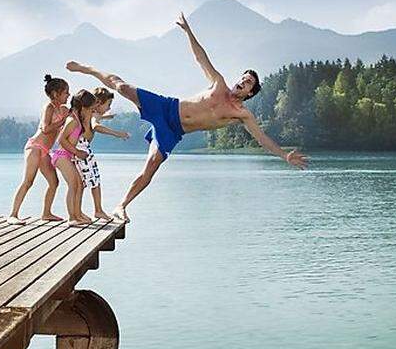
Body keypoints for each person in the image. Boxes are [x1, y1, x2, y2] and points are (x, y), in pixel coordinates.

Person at [66, 12, 308, 221]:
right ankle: (89, 69)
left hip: (173, 131)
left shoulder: (241, 114)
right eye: (243, 78)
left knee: (150, 168)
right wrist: (188, 32)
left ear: (250, 93)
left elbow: (262, 138)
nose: (242, 82)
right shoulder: (219, 84)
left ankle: (121, 205)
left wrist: (283, 155)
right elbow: (201, 58)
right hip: (167, 107)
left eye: (248, 83)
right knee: (121, 88)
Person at [6, 74, 70, 225]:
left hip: (45, 151)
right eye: (66, 92)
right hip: (35, 147)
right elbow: (46, 128)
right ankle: (13, 215)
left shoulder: (63, 109)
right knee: (28, 182)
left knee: (54, 182)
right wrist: (62, 121)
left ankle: (46, 213)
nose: (68, 95)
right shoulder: (48, 107)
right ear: (56, 94)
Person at [76, 87, 129, 220]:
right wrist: (117, 134)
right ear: (98, 103)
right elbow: (96, 126)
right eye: (108, 105)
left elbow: (97, 117)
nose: (109, 108)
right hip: (83, 149)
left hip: (83, 148)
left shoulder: (91, 113)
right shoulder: (93, 115)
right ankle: (94, 211)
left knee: (92, 181)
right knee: (88, 182)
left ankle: (83, 211)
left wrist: (106, 116)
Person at [51, 89, 98, 227]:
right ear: (83, 107)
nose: (92, 112)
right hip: (61, 156)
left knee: (79, 184)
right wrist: (77, 152)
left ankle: (77, 214)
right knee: (73, 184)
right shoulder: (72, 120)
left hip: (67, 155)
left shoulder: (78, 119)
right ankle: (72, 217)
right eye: (91, 109)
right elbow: (61, 140)